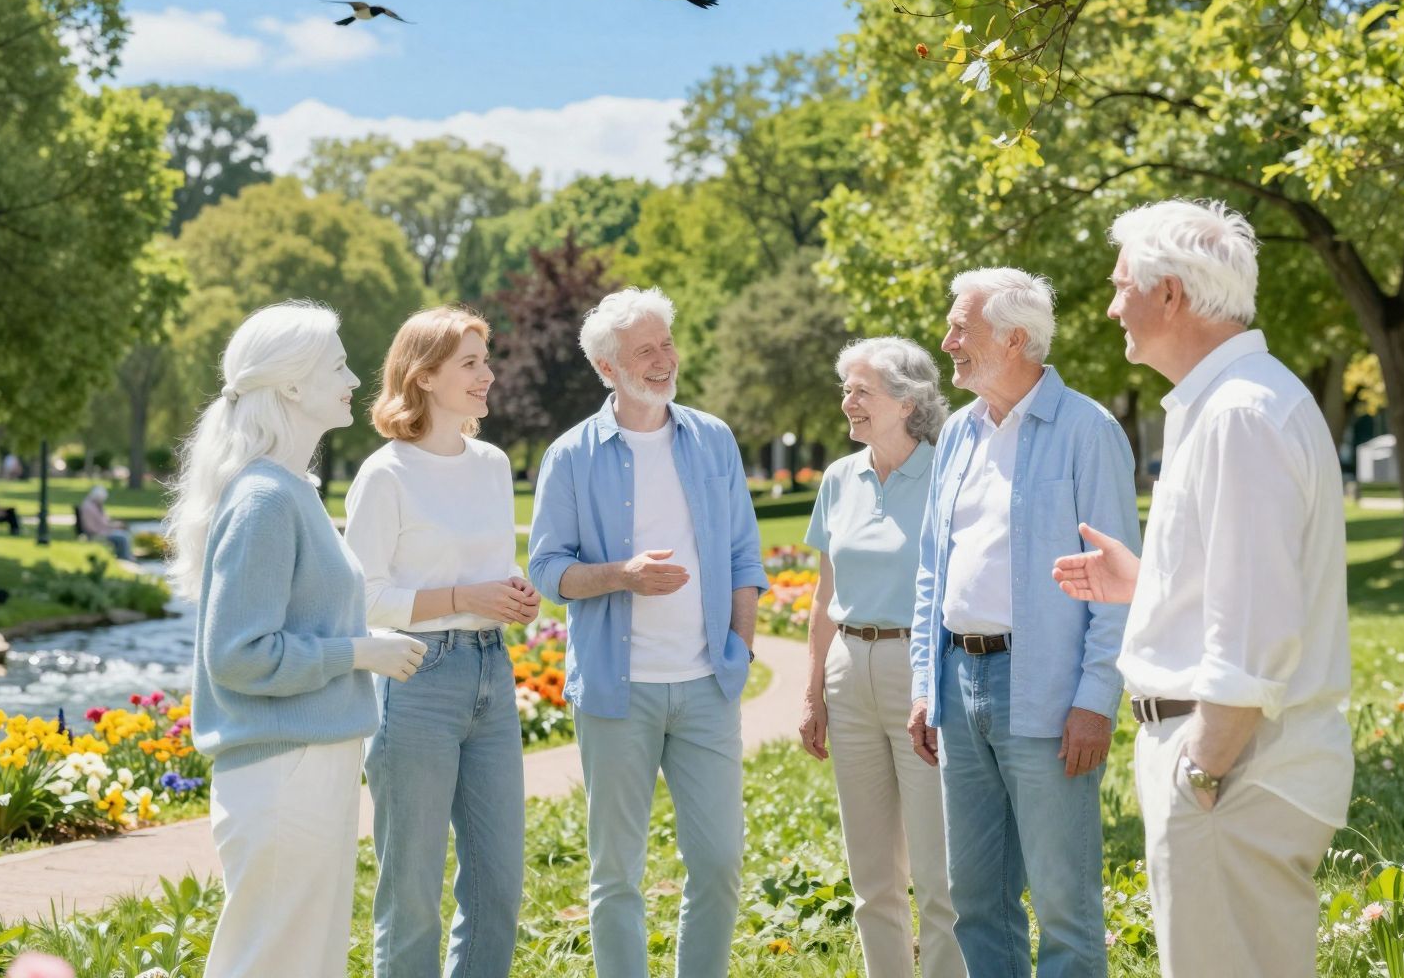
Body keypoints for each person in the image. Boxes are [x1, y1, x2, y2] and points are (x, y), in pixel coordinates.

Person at [1055, 200, 1352, 978]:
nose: (1111, 306)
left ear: (1170, 295)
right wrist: (1149, 583)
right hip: (1230, 769)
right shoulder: (1230, 403)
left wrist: (1201, 770)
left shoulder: (1239, 414)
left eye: (1121, 285)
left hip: (1233, 773)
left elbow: (1257, 628)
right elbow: (1245, 578)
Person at [170, 299, 428, 978]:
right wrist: (360, 652)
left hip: (308, 764)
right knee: (271, 961)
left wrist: (359, 640)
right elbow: (237, 655)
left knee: (303, 961)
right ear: (290, 384)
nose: (354, 379)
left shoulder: (290, 489)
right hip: (285, 772)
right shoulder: (265, 499)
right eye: (337, 365)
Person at [527, 287, 767, 978]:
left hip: (706, 685)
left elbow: (744, 556)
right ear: (608, 368)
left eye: (667, 344)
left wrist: (740, 649)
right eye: (645, 351)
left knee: (718, 862)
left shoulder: (713, 439)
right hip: (616, 692)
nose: (664, 360)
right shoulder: (571, 456)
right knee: (617, 873)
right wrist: (621, 575)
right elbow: (547, 571)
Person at [906, 267, 1138, 978]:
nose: (947, 342)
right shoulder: (957, 433)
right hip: (957, 683)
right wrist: (925, 683)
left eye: (960, 328)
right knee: (976, 899)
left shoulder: (1087, 430)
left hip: (1047, 692)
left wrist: (1096, 701)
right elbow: (931, 569)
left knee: (1065, 905)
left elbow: (1117, 584)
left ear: (1013, 338)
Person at [345, 306, 540, 977]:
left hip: (492, 674)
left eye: (487, 361)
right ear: (424, 376)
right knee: (412, 893)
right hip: (416, 681)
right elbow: (362, 599)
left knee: (497, 886)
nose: (488, 375)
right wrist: (464, 598)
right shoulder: (386, 474)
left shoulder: (492, 464)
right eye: (471, 363)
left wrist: (512, 594)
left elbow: (487, 568)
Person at [797, 337, 962, 978]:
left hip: (921, 672)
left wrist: (934, 685)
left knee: (938, 870)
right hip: (848, 671)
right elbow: (823, 595)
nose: (848, 402)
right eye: (847, 390)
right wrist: (812, 693)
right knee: (871, 875)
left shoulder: (949, 472)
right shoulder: (839, 478)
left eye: (862, 390)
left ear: (907, 401)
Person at [80, 484, 134, 560]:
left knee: (124, 533)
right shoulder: (89, 507)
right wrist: (109, 529)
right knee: (123, 537)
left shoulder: (95, 505)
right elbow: (91, 527)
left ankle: (125, 556)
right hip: (97, 534)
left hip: (103, 531)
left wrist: (113, 525)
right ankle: (125, 558)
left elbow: (104, 521)